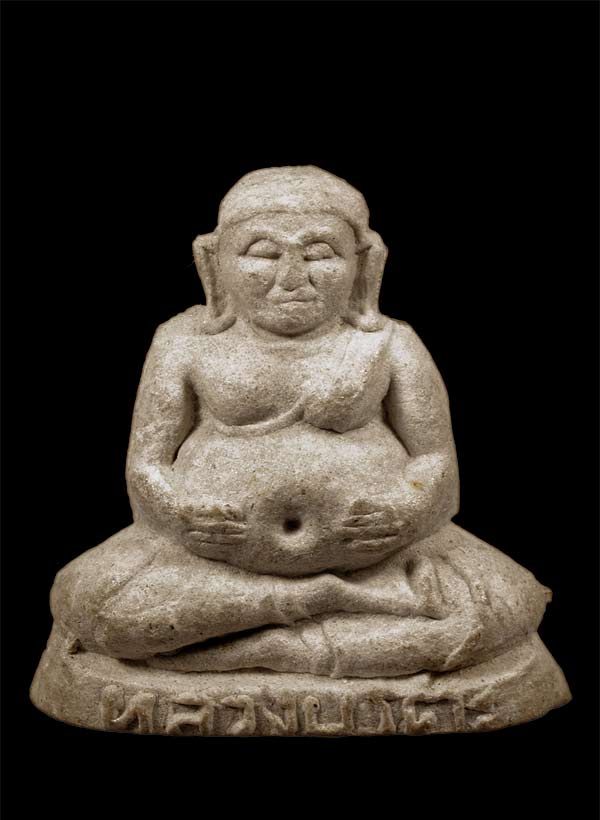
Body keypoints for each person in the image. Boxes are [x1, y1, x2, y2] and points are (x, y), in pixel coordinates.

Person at [50, 166, 550, 679]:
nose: (291, 278)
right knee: (90, 605)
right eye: (263, 253)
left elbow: (436, 460)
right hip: (209, 568)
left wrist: (408, 509)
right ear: (213, 262)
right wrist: (178, 513)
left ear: (364, 264)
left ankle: (260, 647)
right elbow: (146, 463)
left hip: (386, 563)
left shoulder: (387, 343)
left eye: (319, 254)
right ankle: (324, 604)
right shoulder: (185, 343)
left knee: (503, 603)